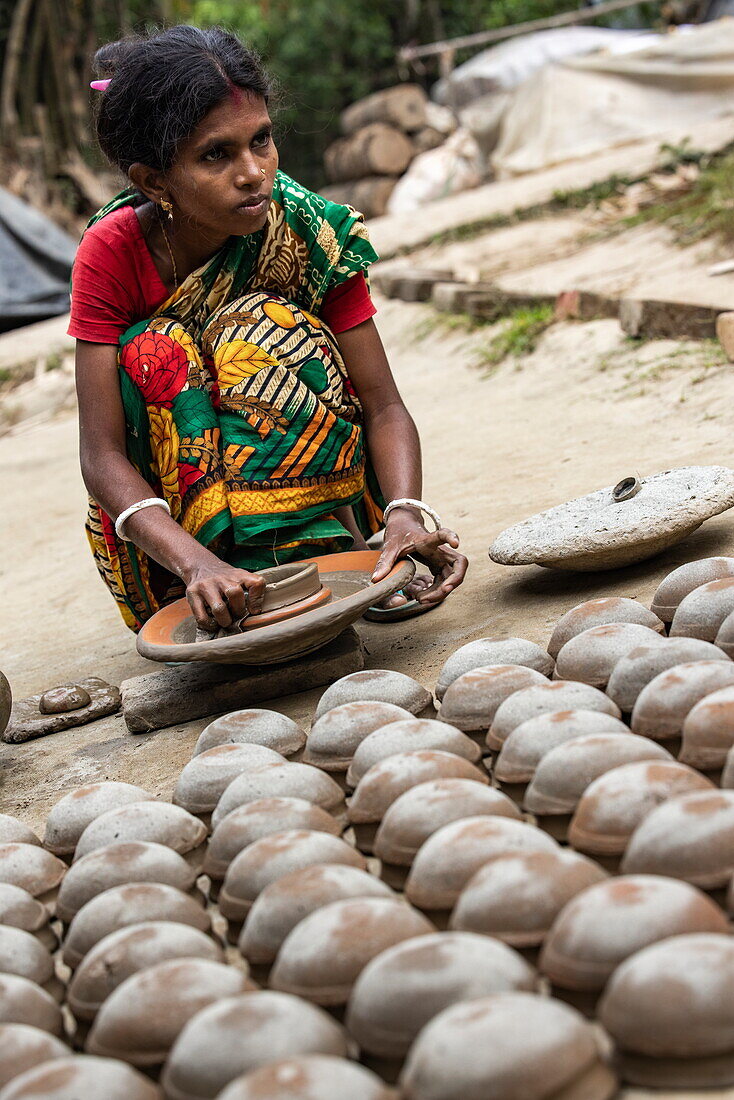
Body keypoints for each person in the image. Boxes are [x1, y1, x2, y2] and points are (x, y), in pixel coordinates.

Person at [70, 24, 467, 635]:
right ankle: (219, 579)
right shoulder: (112, 252)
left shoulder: (310, 231)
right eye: (216, 155)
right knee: (157, 351)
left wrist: (407, 516)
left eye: (262, 141)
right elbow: (100, 455)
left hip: (329, 508)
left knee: (262, 329)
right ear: (153, 181)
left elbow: (385, 405)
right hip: (177, 559)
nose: (254, 172)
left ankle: (319, 556)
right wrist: (196, 564)